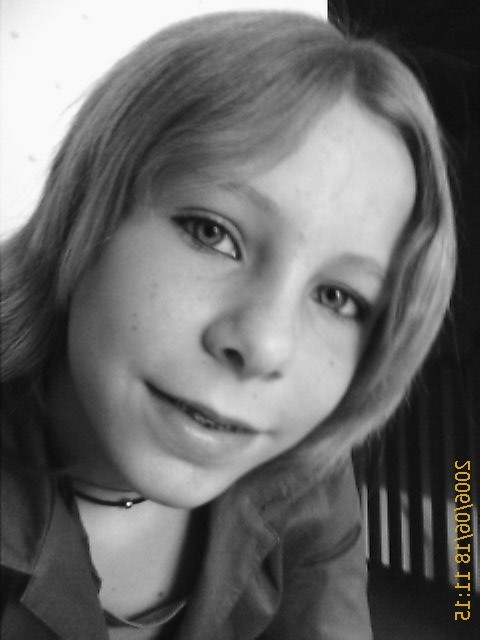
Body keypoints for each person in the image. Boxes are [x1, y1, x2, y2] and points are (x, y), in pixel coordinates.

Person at [0, 10, 456, 640]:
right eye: (213, 233)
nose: (267, 345)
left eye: (338, 297)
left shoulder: (307, 474)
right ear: (86, 203)